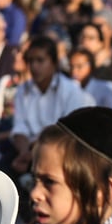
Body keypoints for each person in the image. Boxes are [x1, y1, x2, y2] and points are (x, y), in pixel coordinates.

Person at [10, 37, 93, 178]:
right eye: (30, 61)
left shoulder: (71, 90)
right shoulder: (22, 90)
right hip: (29, 151)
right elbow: (20, 127)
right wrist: (24, 153)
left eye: (40, 60)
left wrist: (34, 154)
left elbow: (66, 133)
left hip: (65, 153)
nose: (34, 66)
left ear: (54, 63)